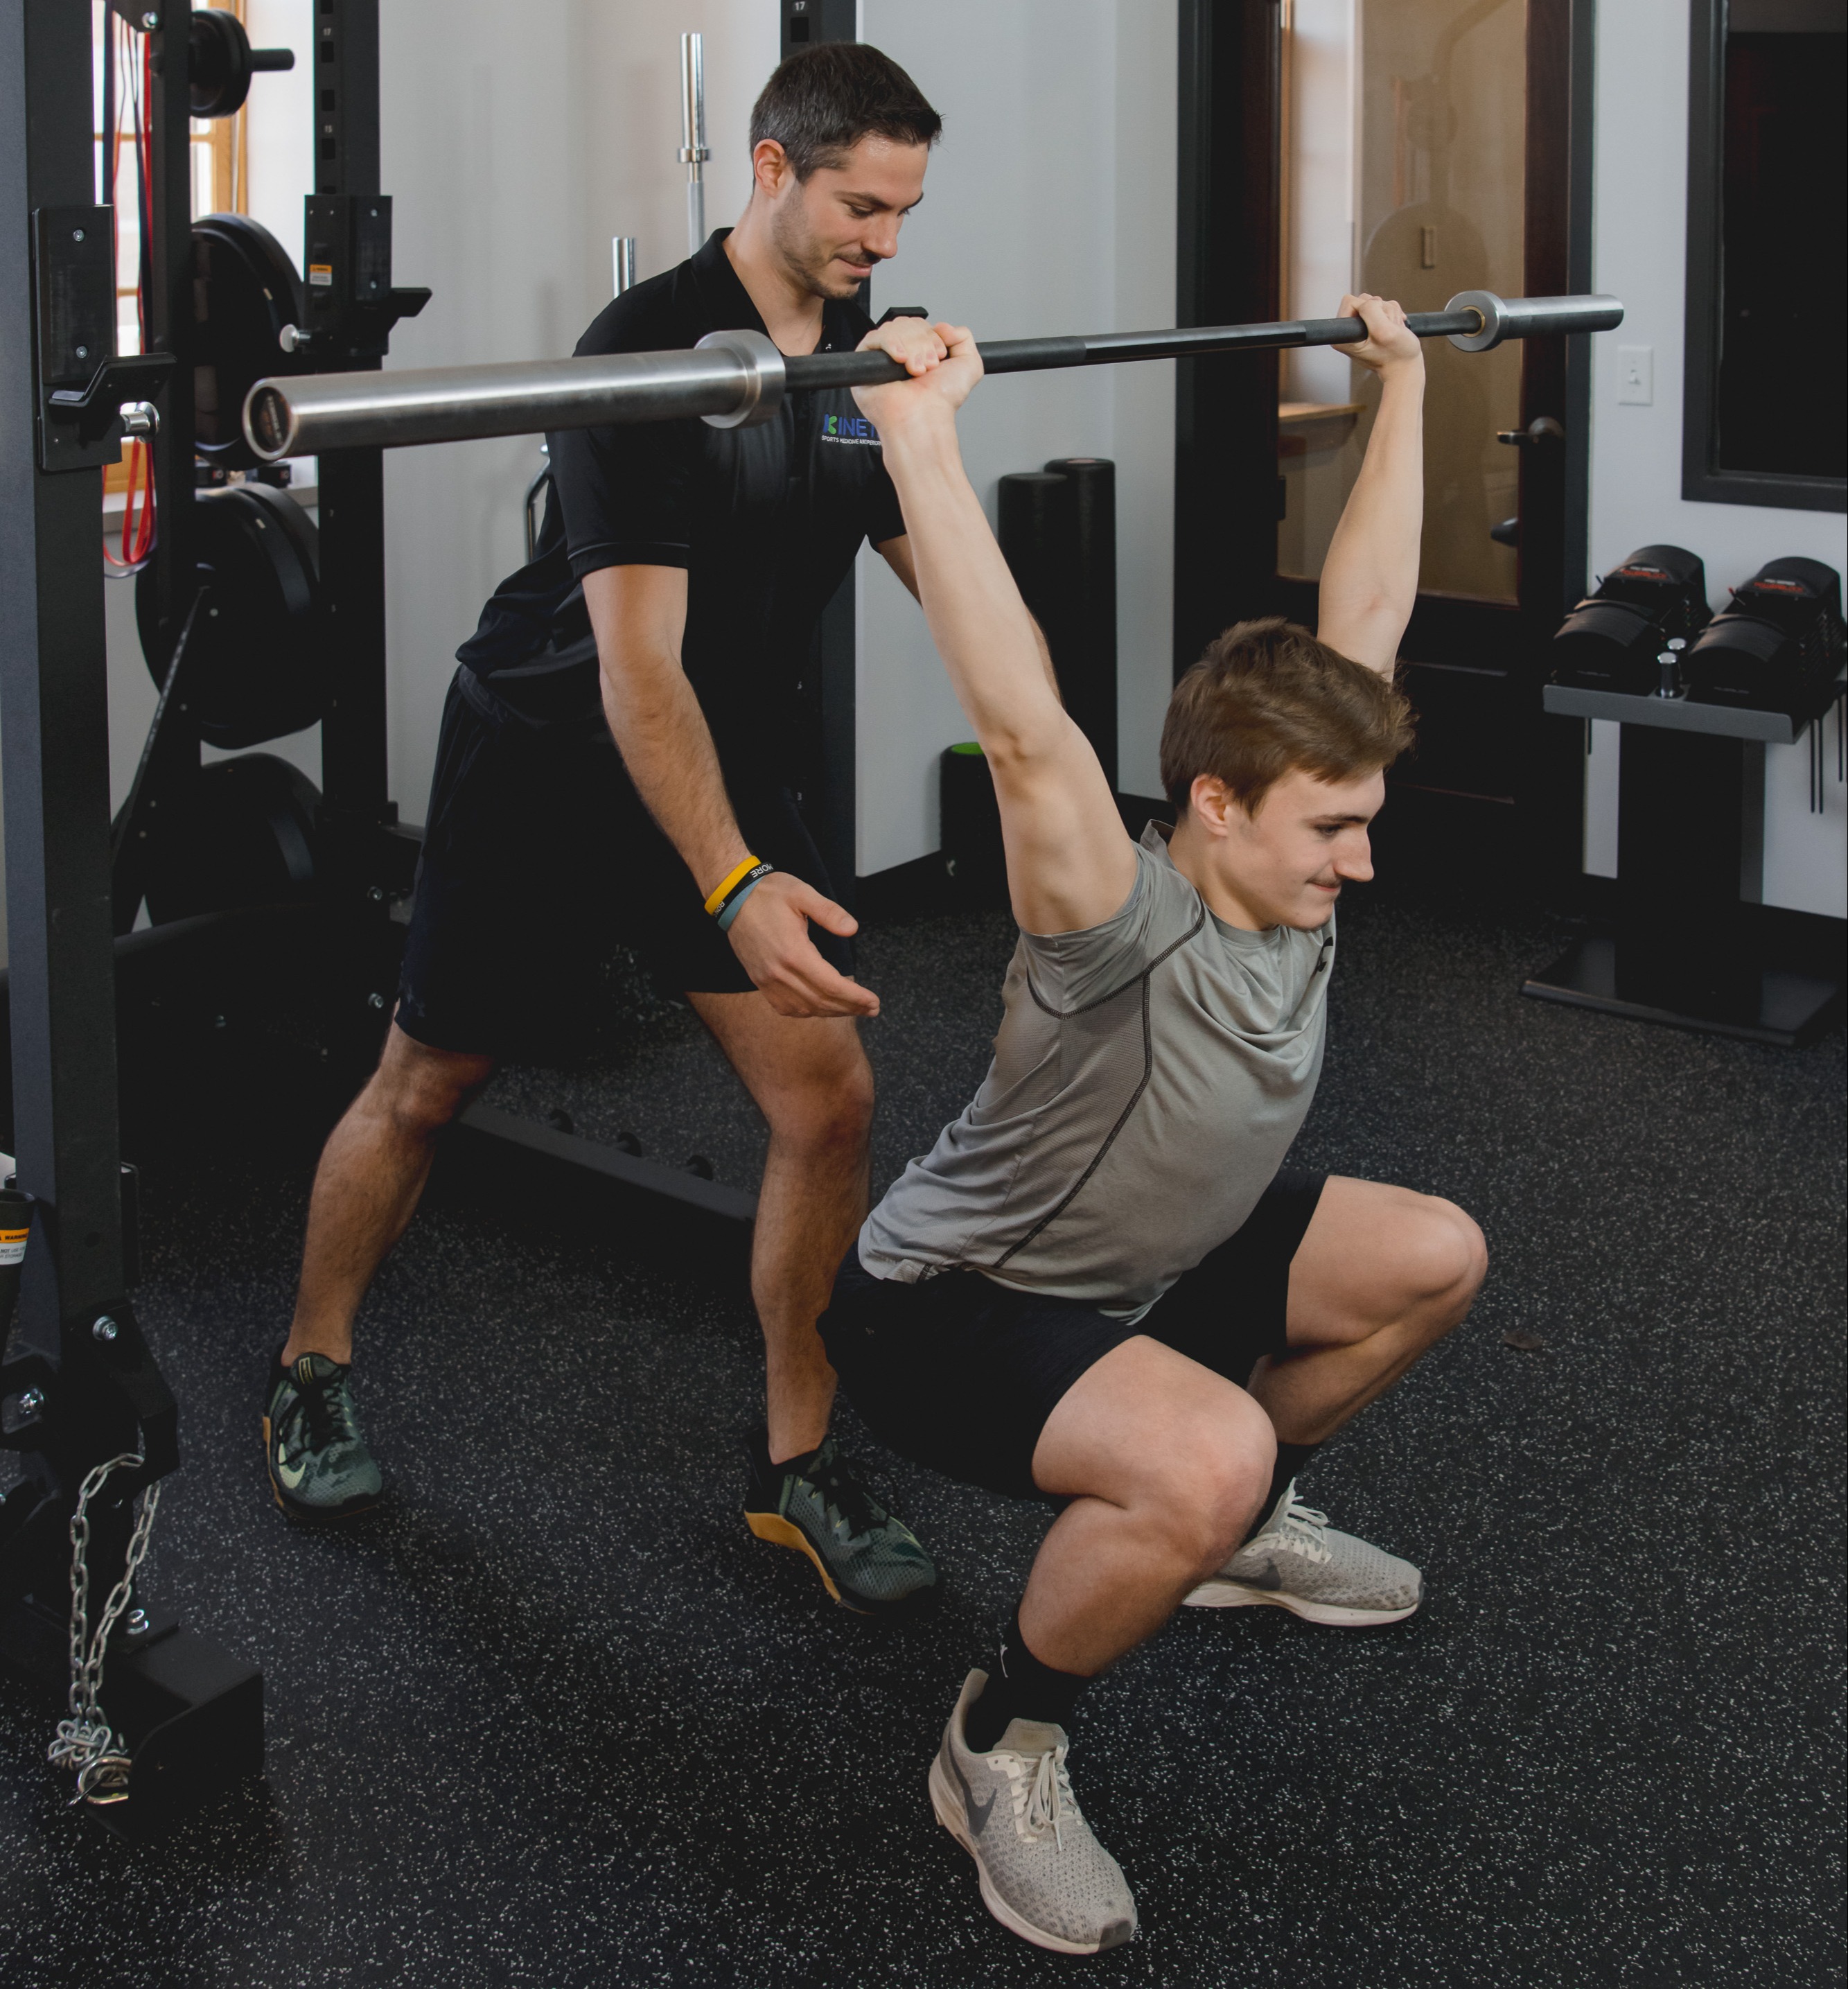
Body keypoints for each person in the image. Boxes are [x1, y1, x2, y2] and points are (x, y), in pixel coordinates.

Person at [818, 297, 1489, 1951]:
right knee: (1209, 1448)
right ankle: (1002, 1742)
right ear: (1211, 802)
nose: (1361, 863)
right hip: (953, 1309)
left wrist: (1397, 382)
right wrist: (916, 441)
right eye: (1332, 828)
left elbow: (1370, 606)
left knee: (1431, 1256)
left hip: (1150, 1257)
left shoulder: (1293, 852)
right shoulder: (1108, 914)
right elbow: (1022, 709)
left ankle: (1231, 1535)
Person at [261, 44, 963, 1618]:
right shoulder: (637, 353)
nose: (887, 244)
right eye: (864, 206)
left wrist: (1071, 763)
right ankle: (311, 1366)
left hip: (726, 758)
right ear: (771, 171)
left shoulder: (863, 358)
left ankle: (798, 1464)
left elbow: (952, 582)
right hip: (556, 751)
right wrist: (729, 881)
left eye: (908, 211)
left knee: (829, 1098)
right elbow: (638, 672)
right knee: (427, 1082)